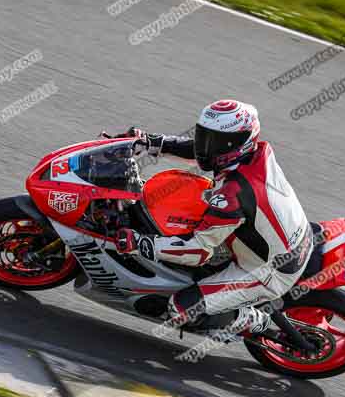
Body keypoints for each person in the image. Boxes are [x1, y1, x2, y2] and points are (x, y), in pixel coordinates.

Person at [115, 99, 313, 340]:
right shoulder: (255, 152)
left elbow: (198, 251)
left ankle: (254, 320)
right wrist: (151, 142)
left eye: (218, 141)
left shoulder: (234, 195)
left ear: (240, 141)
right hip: (283, 236)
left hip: (267, 270)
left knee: (182, 308)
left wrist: (141, 243)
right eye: (205, 136)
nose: (207, 146)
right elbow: (200, 152)